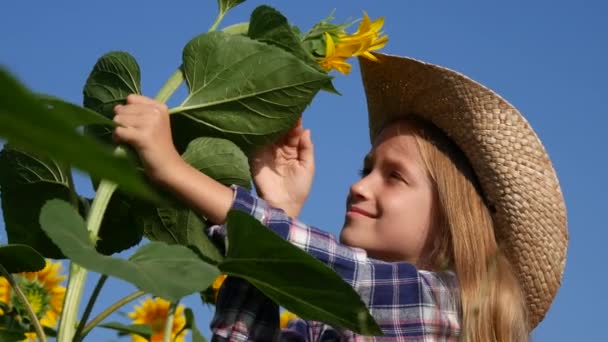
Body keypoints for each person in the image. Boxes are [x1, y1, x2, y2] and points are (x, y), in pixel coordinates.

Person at [112, 52, 568, 341]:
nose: (359, 185)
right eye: (365, 169)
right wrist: (278, 212)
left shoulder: (439, 306)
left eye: (394, 176)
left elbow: (326, 268)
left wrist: (172, 168)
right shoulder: (321, 328)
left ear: (451, 221)